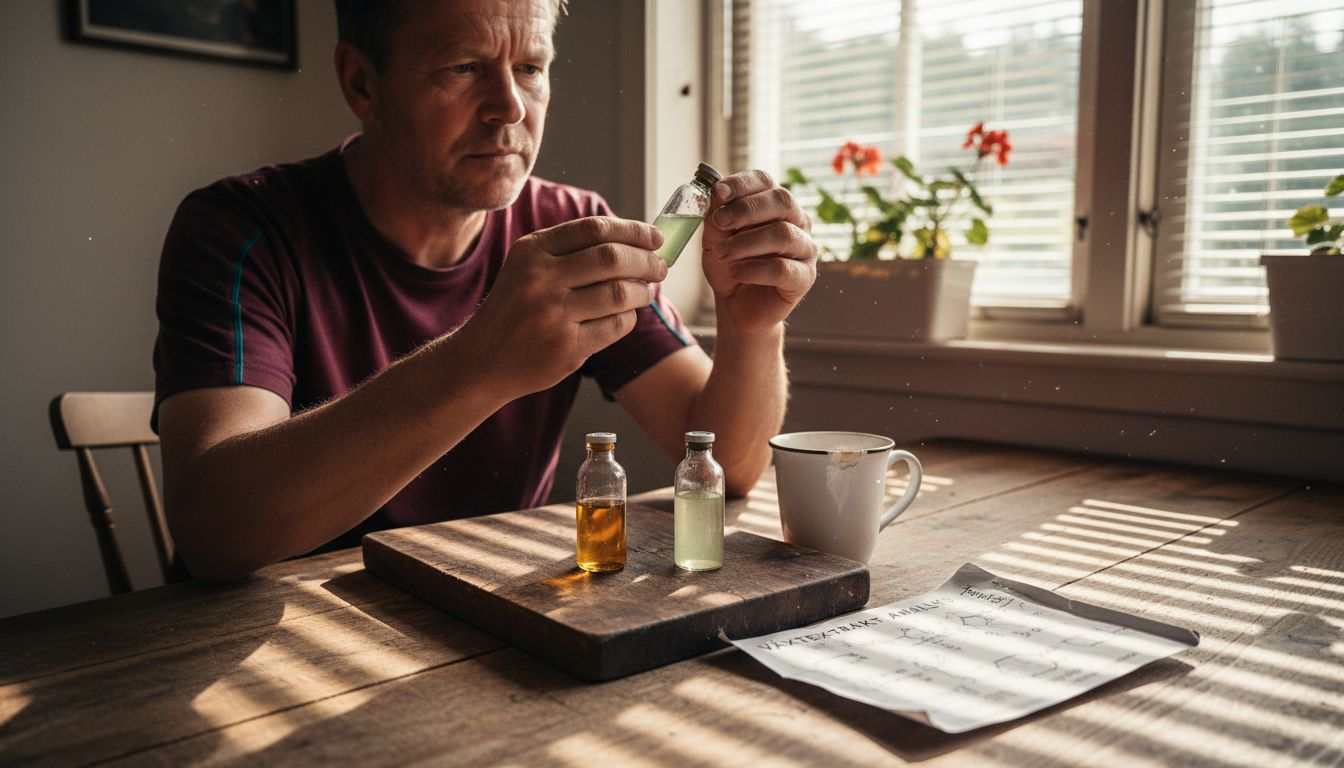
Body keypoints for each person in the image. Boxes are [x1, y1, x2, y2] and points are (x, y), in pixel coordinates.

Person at [153, 0, 818, 582]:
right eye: (464, 67)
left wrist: (752, 328)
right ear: (362, 82)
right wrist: (481, 360)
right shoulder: (243, 229)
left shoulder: (568, 229)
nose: (511, 107)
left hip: (481, 617)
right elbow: (214, 530)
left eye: (530, 67)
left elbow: (726, 464)